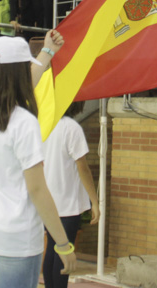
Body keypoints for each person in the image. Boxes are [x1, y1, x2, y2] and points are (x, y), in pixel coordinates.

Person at [0, 33, 77, 288]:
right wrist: (62, 244)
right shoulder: (23, 122)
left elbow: (22, 81)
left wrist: (47, 52)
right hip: (17, 235)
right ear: (17, 73)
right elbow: (37, 189)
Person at [41, 100, 100, 288]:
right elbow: (82, 168)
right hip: (66, 203)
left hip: (45, 202)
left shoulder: (44, 125)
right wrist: (95, 201)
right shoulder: (71, 128)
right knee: (63, 255)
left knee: (52, 248)